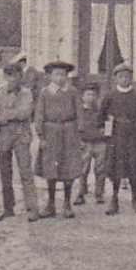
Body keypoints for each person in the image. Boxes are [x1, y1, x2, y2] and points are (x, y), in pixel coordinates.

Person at [35, 60, 84, 220]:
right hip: (50, 132)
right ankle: (50, 204)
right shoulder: (44, 92)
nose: (60, 78)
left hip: (69, 132)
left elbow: (79, 114)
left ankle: (67, 204)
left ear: (67, 76)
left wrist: (79, 135)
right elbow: (39, 114)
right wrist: (41, 136)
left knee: (68, 168)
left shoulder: (73, 92)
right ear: (50, 76)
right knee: (51, 168)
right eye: (56, 74)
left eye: (63, 74)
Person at [0, 64, 40, 220]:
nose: (13, 79)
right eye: (9, 75)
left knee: (25, 171)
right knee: (5, 173)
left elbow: (25, 113)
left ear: (21, 76)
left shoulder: (27, 93)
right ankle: (8, 207)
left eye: (16, 75)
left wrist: (6, 115)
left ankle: (32, 208)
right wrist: (5, 116)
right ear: (5, 77)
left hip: (21, 135)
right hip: (4, 136)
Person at [100, 62, 136, 214]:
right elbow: (102, 117)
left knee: (134, 168)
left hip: (133, 136)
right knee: (115, 169)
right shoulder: (110, 96)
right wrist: (107, 135)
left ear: (131, 78)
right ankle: (114, 200)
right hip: (116, 136)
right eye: (120, 77)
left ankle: (135, 198)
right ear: (116, 79)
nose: (124, 79)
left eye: (127, 77)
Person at [75, 81, 109, 208]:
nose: (91, 97)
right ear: (83, 96)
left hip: (100, 142)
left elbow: (108, 124)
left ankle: (99, 194)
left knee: (100, 169)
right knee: (83, 169)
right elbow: (75, 127)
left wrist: (107, 136)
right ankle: (81, 193)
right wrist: (78, 140)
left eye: (94, 95)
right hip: (85, 142)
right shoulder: (79, 111)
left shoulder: (102, 110)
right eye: (88, 94)